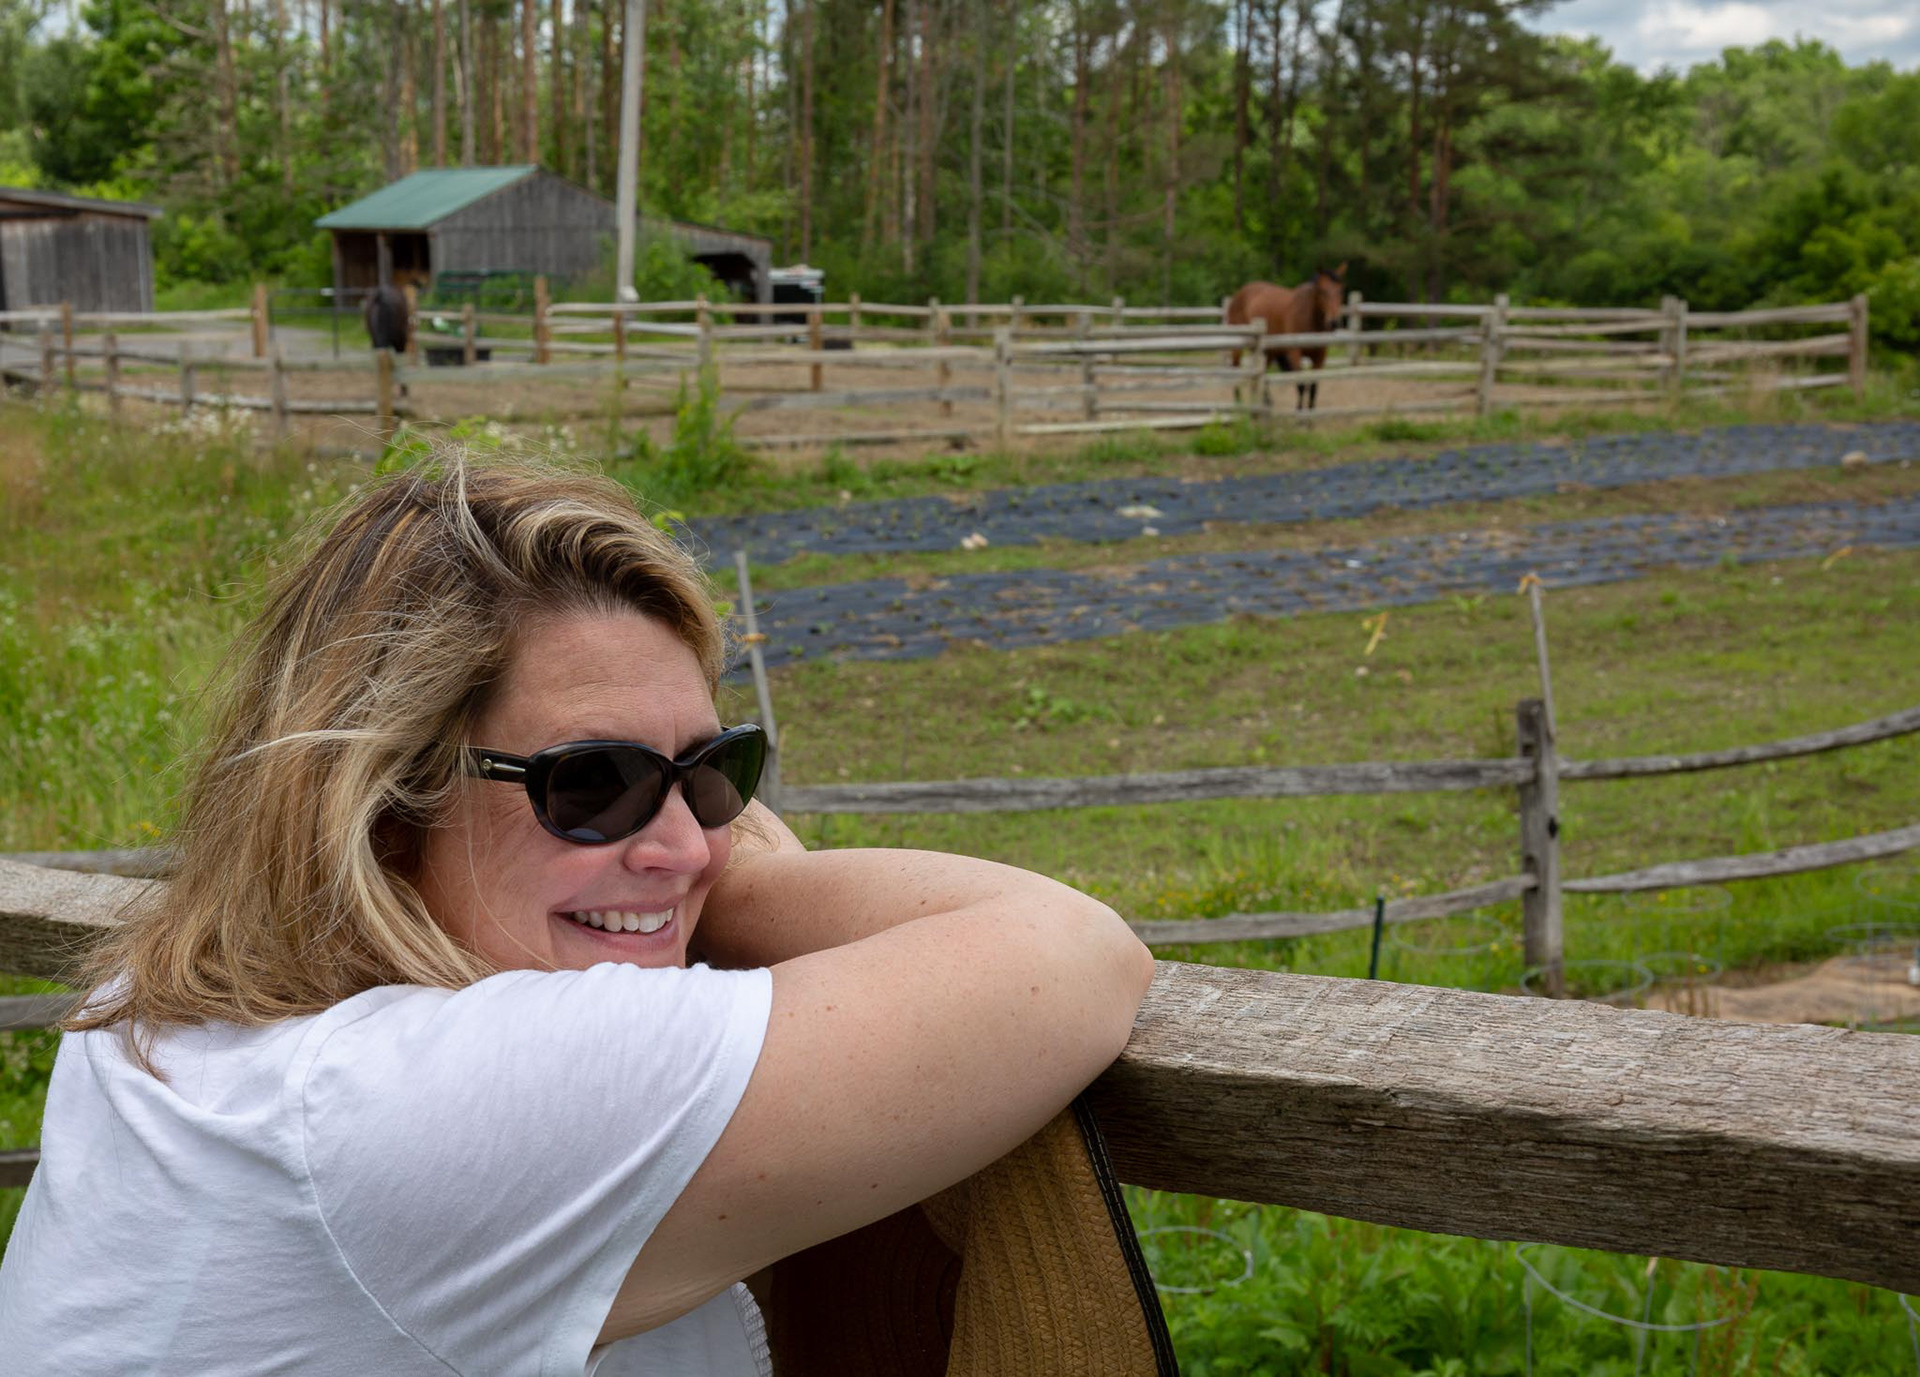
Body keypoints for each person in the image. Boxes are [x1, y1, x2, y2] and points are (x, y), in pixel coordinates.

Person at [0, 458, 1157, 1375]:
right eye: (589, 785)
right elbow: (1075, 956)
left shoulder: (152, 1015)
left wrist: (656, 842)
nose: (692, 841)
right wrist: (729, 881)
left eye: (716, 770)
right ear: (384, 805)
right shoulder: (420, 1105)